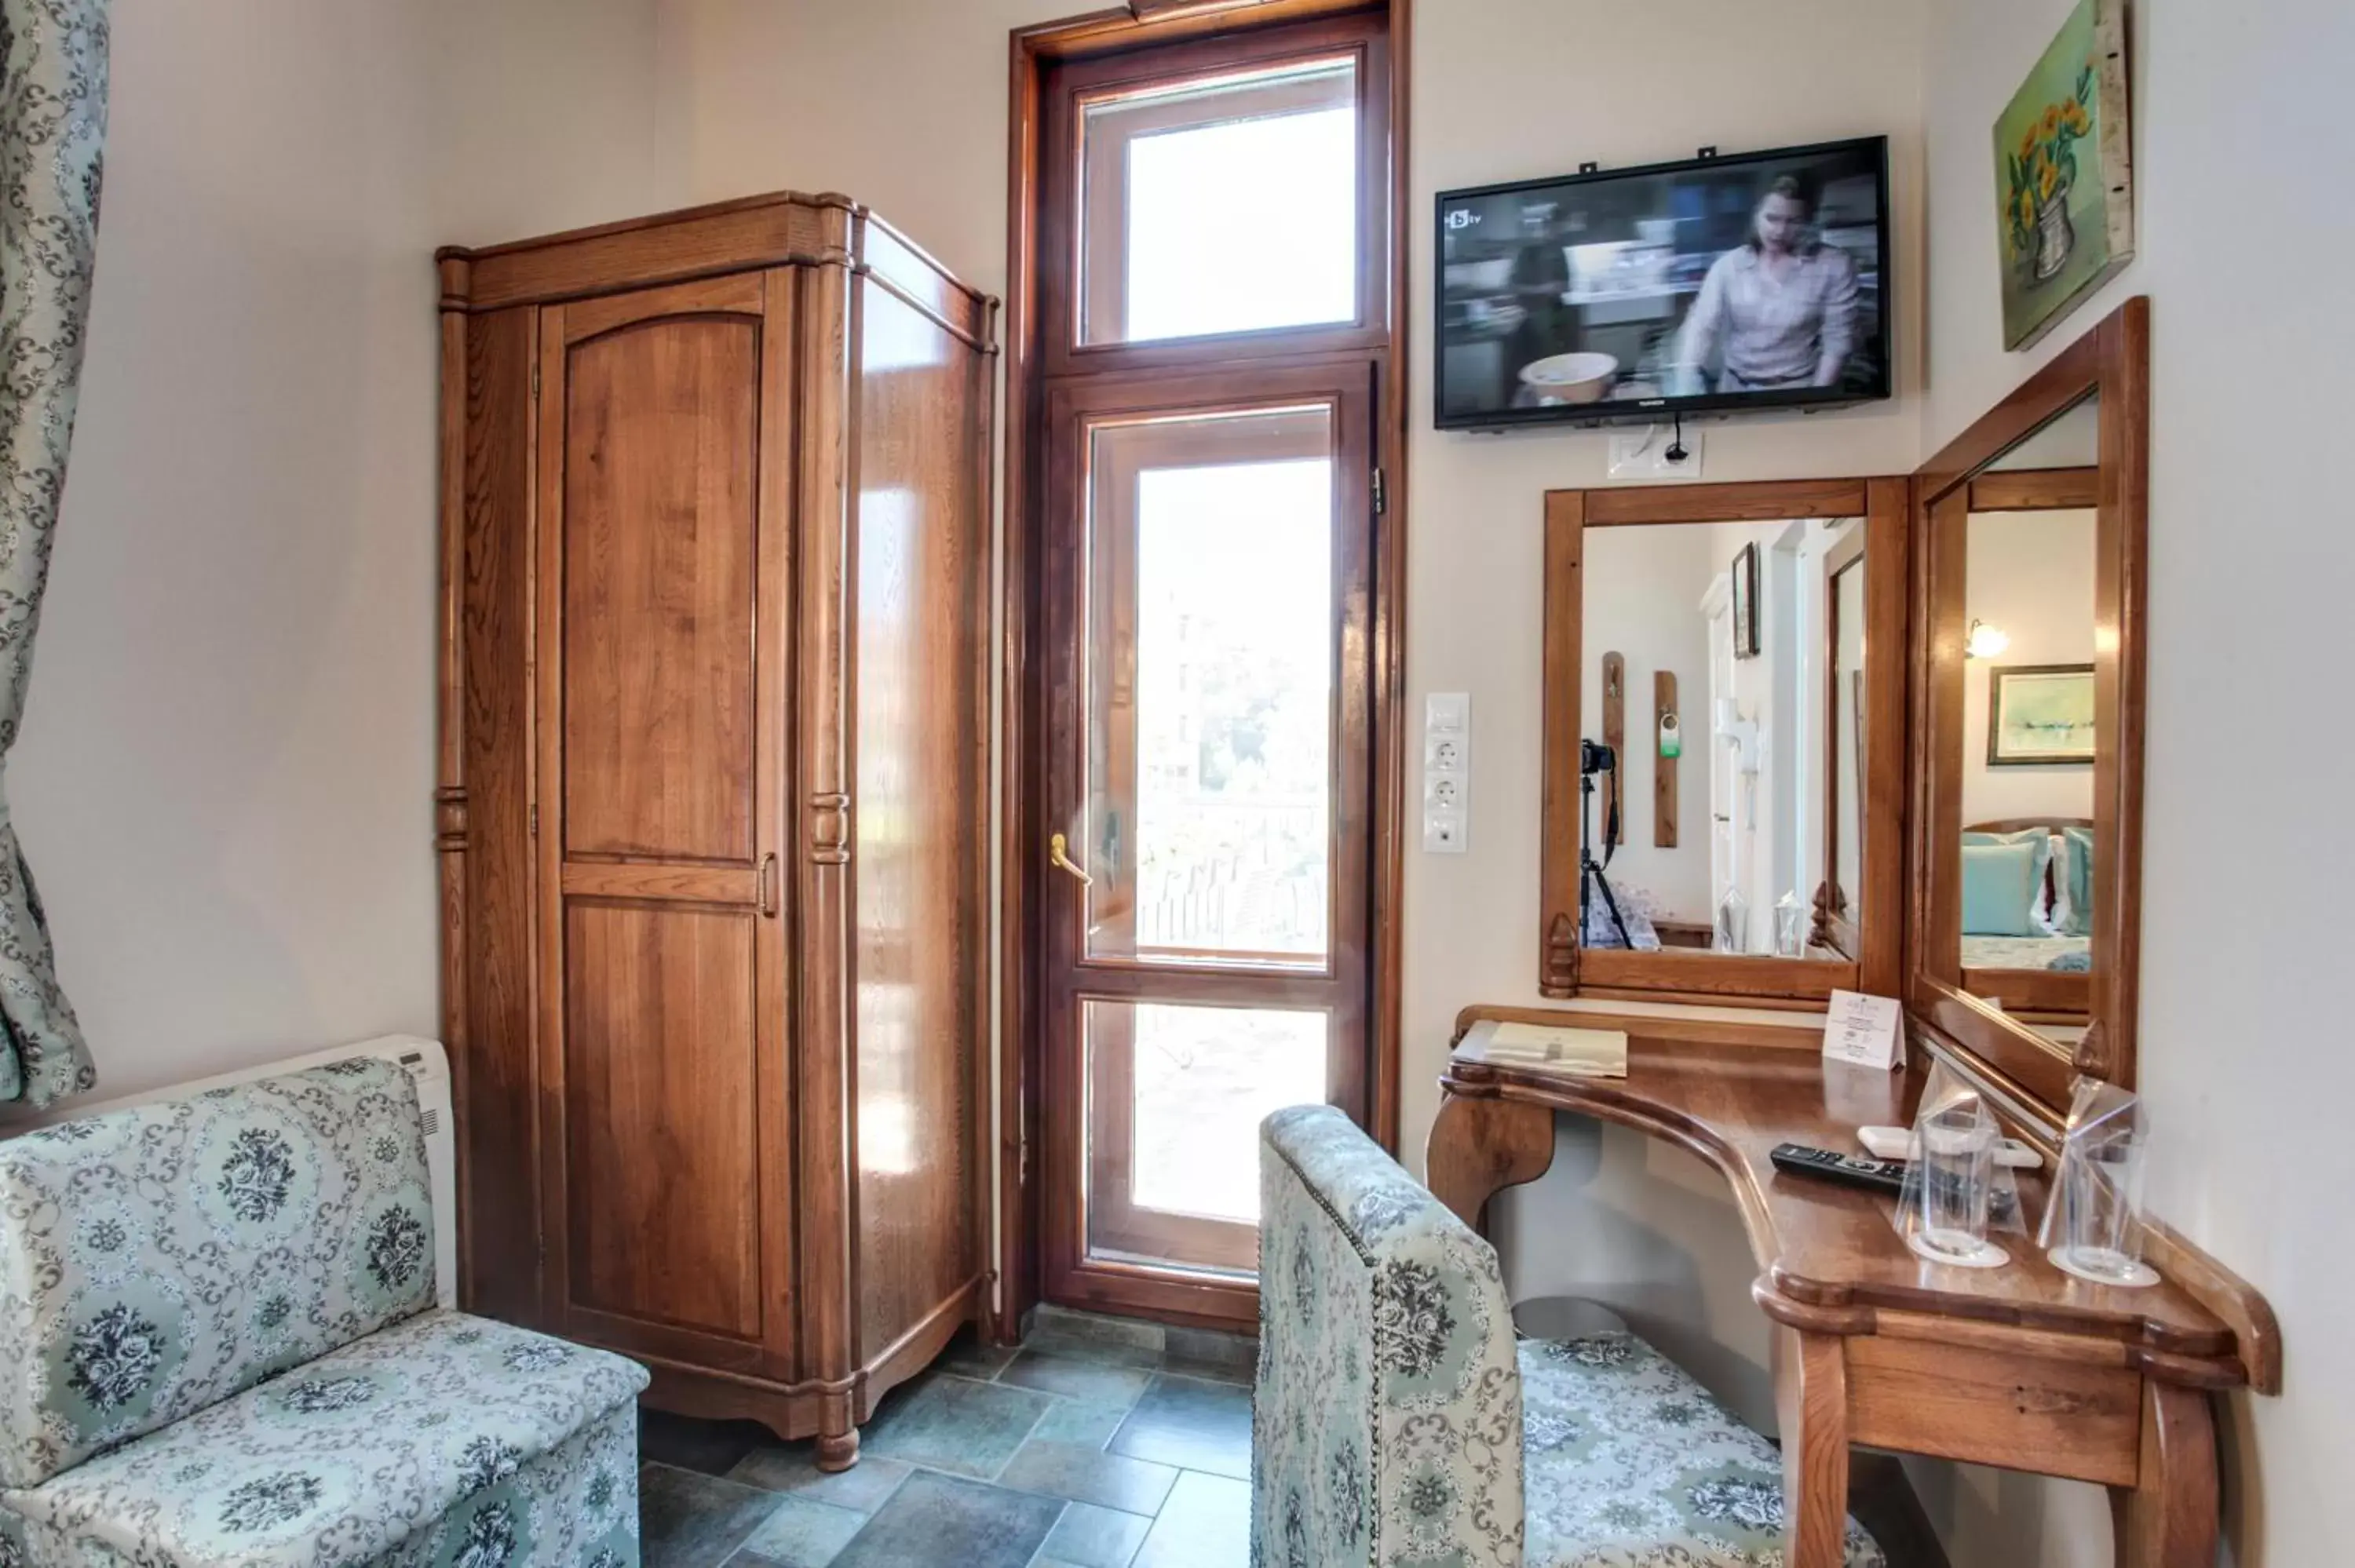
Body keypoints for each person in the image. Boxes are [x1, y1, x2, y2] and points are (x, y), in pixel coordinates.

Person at [1675, 173, 1860, 393]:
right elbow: (1701, 326)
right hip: (1734, 388)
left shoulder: (1833, 266)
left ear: (1807, 221)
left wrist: (1816, 399)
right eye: (1771, 218)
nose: (1780, 231)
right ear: (1756, 216)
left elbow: (1837, 342)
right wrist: (1686, 383)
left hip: (1797, 388)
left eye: (1793, 221)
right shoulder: (1729, 266)